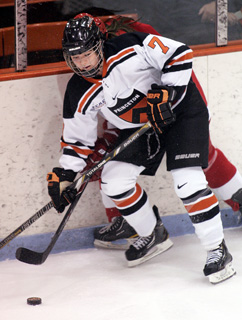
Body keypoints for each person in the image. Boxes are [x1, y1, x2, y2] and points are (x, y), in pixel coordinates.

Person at [46, 14, 236, 283]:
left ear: (100, 46)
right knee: (114, 180)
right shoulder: (78, 91)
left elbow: (179, 53)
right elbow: (77, 141)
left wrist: (168, 91)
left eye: (86, 54)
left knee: (187, 182)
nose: (82, 62)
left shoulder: (130, 47)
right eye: (75, 57)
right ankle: (153, 234)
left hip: (181, 111)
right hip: (142, 126)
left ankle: (217, 250)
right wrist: (66, 175)